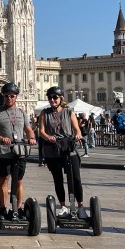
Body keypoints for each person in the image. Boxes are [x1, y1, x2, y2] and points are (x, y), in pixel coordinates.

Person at [0, 82, 37, 217]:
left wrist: (31, 137)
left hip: (19, 151)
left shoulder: (21, 112)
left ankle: (18, 208)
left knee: (19, 180)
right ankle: (3, 208)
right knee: (3, 180)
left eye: (11, 96)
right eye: (6, 96)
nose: (8, 98)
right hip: (2, 152)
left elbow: (28, 129)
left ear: (16, 97)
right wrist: (1, 138)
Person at [38, 86, 86, 217]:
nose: (52, 100)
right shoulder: (44, 113)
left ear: (60, 99)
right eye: (50, 97)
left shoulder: (68, 111)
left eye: (55, 97)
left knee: (75, 178)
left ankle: (80, 206)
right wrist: (48, 137)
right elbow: (41, 131)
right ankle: (63, 206)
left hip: (68, 147)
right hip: (52, 149)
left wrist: (77, 135)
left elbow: (77, 129)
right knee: (58, 179)